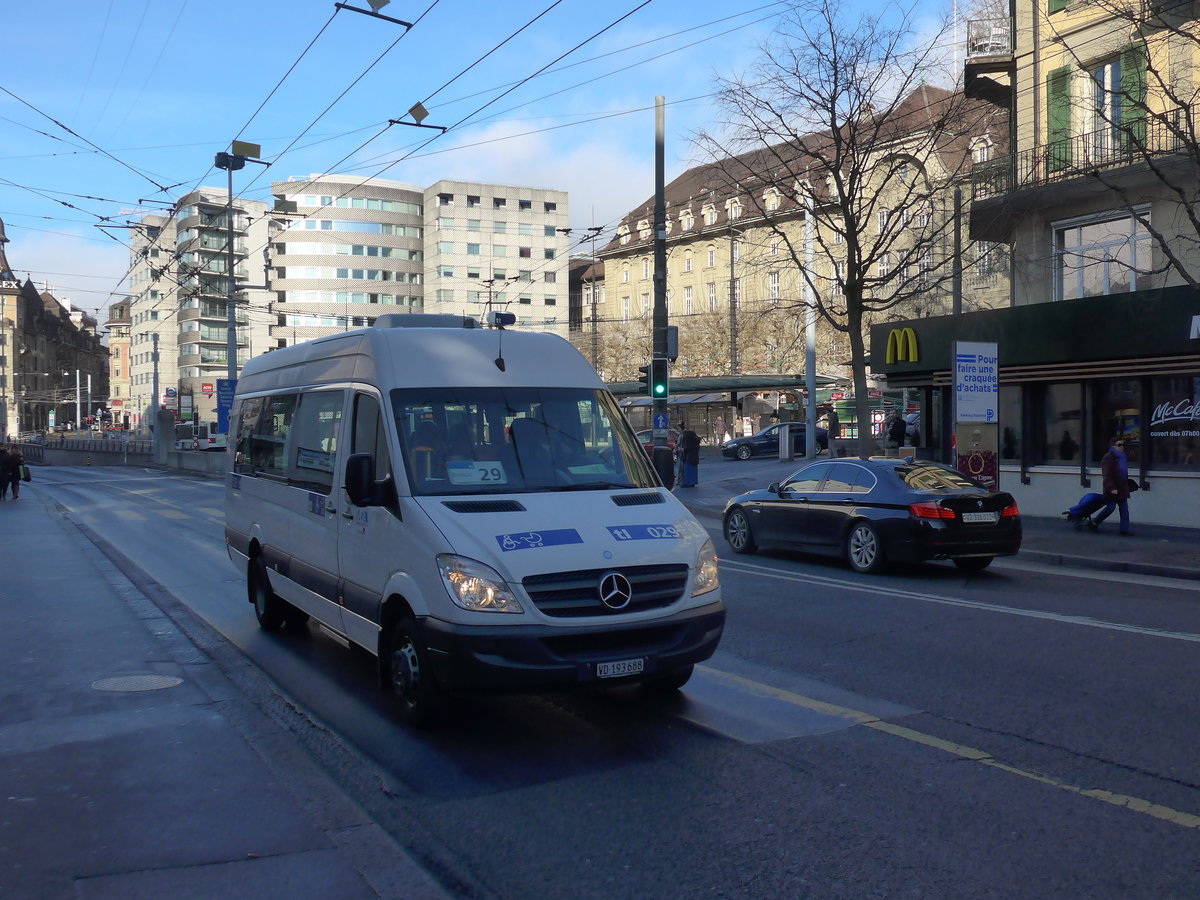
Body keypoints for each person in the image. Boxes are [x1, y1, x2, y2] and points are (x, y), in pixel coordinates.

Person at [1088, 437, 1132, 535]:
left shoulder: (1122, 457)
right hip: (1112, 488)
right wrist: (1112, 488)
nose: (1122, 447)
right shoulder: (1108, 458)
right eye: (1119, 445)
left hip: (1122, 487)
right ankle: (1095, 522)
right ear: (1113, 446)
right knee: (1110, 508)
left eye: (1123, 445)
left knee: (1124, 509)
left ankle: (1124, 530)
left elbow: (1124, 473)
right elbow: (1107, 475)